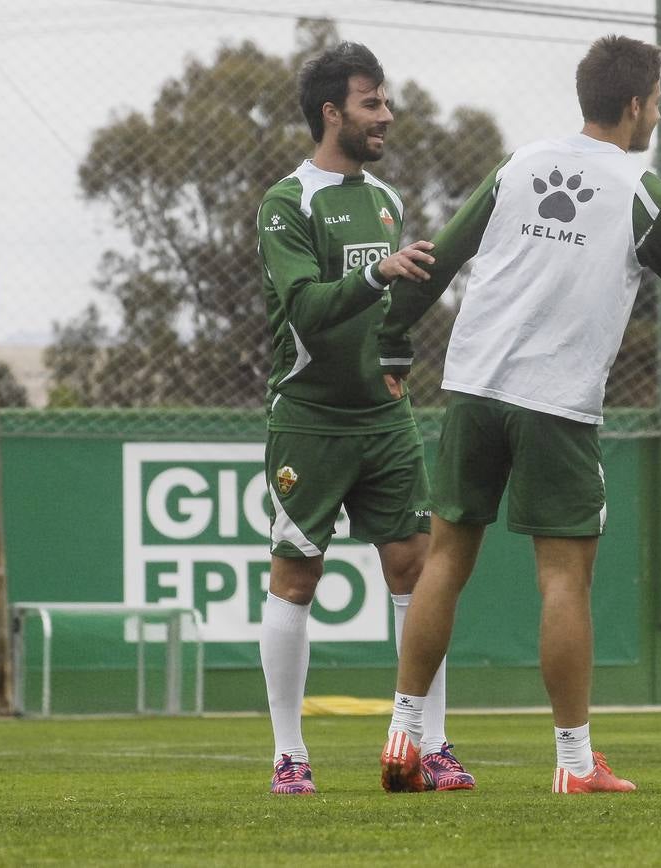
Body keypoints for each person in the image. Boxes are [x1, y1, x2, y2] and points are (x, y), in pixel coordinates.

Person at [375, 35, 661, 794]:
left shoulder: (521, 163)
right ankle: (574, 764)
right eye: (658, 101)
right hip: (556, 405)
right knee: (562, 582)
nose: (658, 115)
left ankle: (403, 736)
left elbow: (438, 256)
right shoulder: (643, 191)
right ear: (636, 104)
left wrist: (393, 342)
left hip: (473, 387)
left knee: (444, 561)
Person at [255, 41, 473, 795]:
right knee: (297, 575)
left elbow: (393, 317)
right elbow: (307, 310)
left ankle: (430, 743)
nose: (386, 115)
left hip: (385, 423)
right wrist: (375, 272)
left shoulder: (386, 201)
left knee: (418, 572)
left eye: (385, 102)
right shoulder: (289, 202)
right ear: (331, 113)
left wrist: (398, 362)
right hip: (310, 420)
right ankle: (290, 755)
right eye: (372, 103)